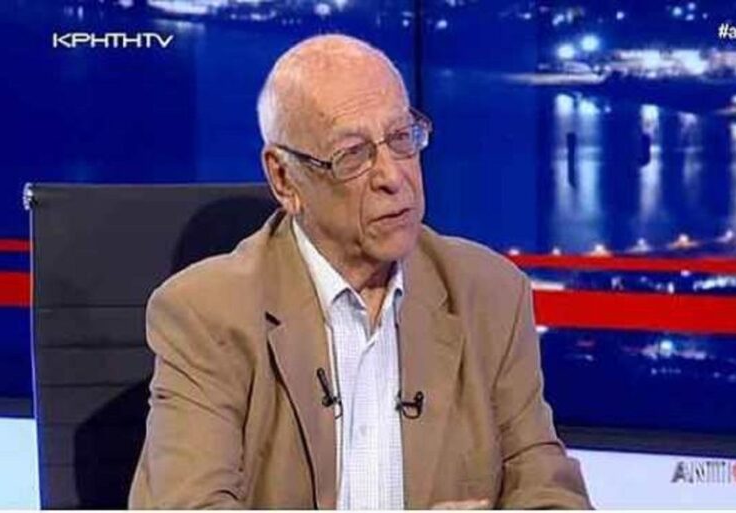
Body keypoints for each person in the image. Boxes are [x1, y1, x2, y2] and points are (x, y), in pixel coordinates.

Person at [128, 34, 591, 509]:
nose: (393, 176)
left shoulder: (489, 294)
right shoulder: (207, 315)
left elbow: (549, 490)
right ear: (284, 179)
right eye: (353, 154)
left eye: (401, 139)